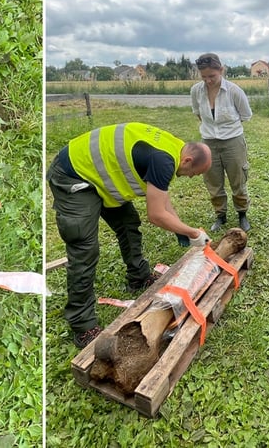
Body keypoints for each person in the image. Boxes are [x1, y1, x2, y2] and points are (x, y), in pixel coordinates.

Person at [47, 122, 212, 348]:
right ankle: (83, 326)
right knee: (84, 248)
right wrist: (192, 231)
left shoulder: (174, 149)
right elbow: (156, 215)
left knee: (128, 224)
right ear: (188, 161)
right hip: (74, 175)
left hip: (100, 178)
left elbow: (163, 202)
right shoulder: (164, 160)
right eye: (195, 173)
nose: (192, 177)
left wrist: (183, 230)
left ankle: (139, 277)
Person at [190, 53, 253, 232]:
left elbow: (246, 115)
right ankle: (220, 216)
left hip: (233, 141)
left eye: (212, 76)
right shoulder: (196, 91)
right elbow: (198, 113)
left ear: (221, 70)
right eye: (204, 77)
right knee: (212, 180)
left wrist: (228, 130)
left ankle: (242, 214)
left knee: (238, 179)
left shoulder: (234, 91)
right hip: (208, 142)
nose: (208, 81)